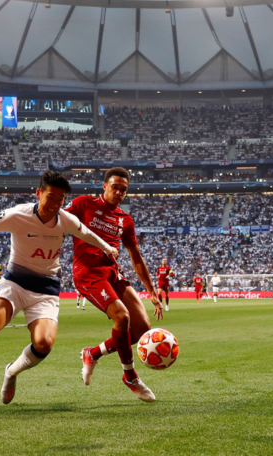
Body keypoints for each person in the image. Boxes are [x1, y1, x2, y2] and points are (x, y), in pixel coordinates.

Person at [0, 171, 118, 416]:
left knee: (44, 344)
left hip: (46, 289)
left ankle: (11, 371)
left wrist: (107, 248)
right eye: (51, 197)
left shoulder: (66, 219)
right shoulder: (18, 215)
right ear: (38, 194)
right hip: (14, 283)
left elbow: (87, 234)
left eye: (61, 199)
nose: (56, 204)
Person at [65, 167, 163, 403]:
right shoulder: (83, 204)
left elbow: (136, 257)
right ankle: (130, 377)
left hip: (113, 273)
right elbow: (57, 222)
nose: (119, 192)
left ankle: (93, 353)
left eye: (123, 189)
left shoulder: (125, 220)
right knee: (122, 317)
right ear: (105, 186)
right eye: (115, 187)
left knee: (142, 328)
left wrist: (151, 291)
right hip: (88, 273)